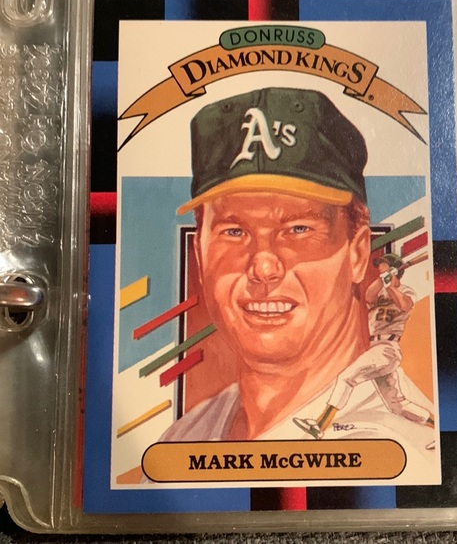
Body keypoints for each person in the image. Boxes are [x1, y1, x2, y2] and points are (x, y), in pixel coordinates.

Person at [160, 87, 435, 451]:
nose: (263, 267)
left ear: (357, 252)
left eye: (298, 229)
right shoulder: (182, 440)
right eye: (234, 231)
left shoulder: (403, 453)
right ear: (200, 253)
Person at [292, 253, 434, 439]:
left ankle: (320, 424)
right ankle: (437, 427)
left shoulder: (407, 291)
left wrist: (391, 285)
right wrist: (384, 280)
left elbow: (404, 305)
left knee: (347, 377)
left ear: (395, 271)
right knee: (398, 405)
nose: (380, 270)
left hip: (388, 348)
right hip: (376, 347)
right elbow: (369, 295)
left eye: (383, 267)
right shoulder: (378, 291)